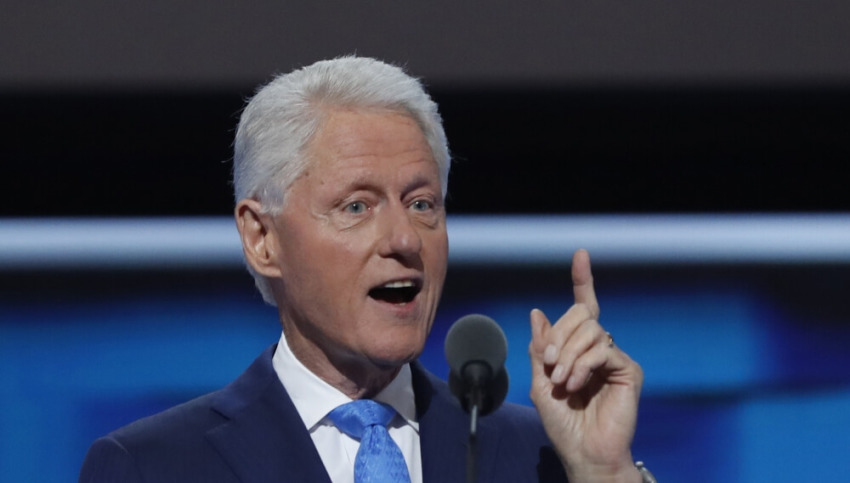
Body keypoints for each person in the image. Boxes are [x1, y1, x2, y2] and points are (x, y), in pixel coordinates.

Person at [79, 56, 647, 482]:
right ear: (262, 238)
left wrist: (607, 472)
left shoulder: (540, 456)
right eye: (357, 206)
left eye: (423, 203)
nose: (404, 239)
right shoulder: (152, 468)